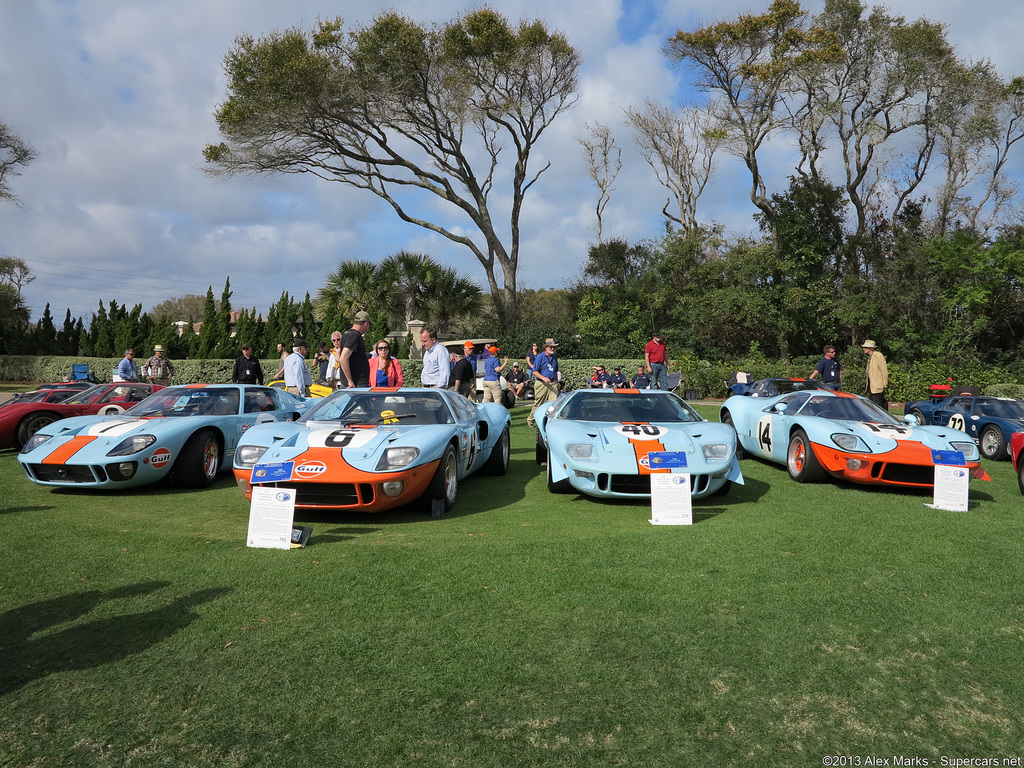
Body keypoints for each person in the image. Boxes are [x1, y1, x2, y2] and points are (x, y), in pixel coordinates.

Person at [527, 338, 559, 429]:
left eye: (554, 347)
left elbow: (556, 371)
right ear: (546, 347)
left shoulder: (554, 358)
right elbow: (534, 371)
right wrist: (544, 378)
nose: (552, 349)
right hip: (542, 383)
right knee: (539, 404)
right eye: (551, 347)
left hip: (553, 383)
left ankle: (550, 422)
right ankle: (530, 420)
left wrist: (557, 382)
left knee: (554, 403)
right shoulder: (540, 357)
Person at [339, 311, 372, 388]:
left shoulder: (345, 334)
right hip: (356, 382)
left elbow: (338, 357)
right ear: (366, 323)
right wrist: (350, 381)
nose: (368, 328)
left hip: (348, 382)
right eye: (369, 325)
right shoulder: (355, 335)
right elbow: (343, 358)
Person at [862, 339, 888, 409]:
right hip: (871, 386)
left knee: (878, 406)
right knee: (873, 405)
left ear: (870, 348)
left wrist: (884, 385)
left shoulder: (878, 356)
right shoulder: (870, 357)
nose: (863, 349)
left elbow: (884, 371)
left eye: (865, 347)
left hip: (877, 386)